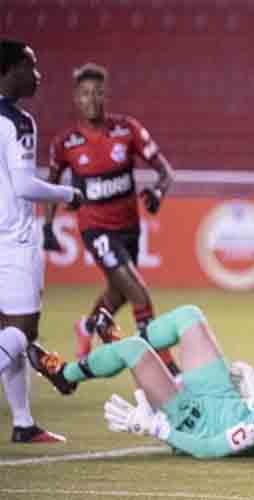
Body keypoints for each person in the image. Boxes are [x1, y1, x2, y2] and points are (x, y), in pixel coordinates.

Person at [26, 305, 254, 458]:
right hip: (225, 401)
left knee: (132, 352)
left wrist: (158, 428)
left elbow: (210, 449)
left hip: (195, 422)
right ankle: (129, 350)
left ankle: (64, 375)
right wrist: (252, 398)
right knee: (189, 316)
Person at [43, 62, 179, 374]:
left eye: (98, 93)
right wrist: (47, 225)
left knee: (117, 293)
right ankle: (167, 366)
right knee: (138, 292)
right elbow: (53, 183)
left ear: (106, 96)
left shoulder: (127, 130)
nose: (92, 99)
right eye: (85, 93)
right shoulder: (66, 143)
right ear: (76, 98)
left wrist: (158, 193)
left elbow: (165, 172)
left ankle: (86, 326)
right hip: (96, 229)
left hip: (129, 227)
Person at [0, 39, 83, 443]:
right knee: (22, 330)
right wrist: (70, 194)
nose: (37, 75)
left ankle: (23, 422)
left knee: (9, 333)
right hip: (11, 241)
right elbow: (24, 186)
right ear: (8, 70)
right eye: (29, 66)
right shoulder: (17, 122)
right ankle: (24, 419)